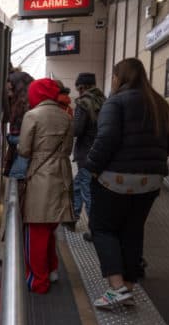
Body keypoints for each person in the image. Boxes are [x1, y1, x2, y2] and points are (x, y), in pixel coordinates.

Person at [86, 58, 169, 308]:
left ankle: (116, 286)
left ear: (119, 78)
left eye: (114, 76)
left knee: (102, 229)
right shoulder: (159, 103)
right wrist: (153, 160)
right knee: (132, 231)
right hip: (150, 182)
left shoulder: (115, 102)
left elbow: (106, 139)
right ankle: (127, 288)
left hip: (115, 179)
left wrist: (92, 168)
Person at [18, 78, 74, 294]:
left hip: (41, 177)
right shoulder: (66, 115)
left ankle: (38, 281)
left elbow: (24, 149)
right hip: (62, 174)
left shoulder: (32, 115)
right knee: (50, 229)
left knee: (35, 232)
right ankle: (52, 269)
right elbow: (68, 149)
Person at [71, 73, 106, 241]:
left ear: (82, 87)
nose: (78, 92)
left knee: (88, 191)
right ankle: (72, 217)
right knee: (78, 185)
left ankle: (96, 231)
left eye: (78, 89)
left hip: (86, 154)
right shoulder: (105, 101)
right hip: (101, 153)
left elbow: (76, 129)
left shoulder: (84, 103)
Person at [6, 71, 34, 179]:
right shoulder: (19, 102)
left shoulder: (27, 106)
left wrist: (11, 138)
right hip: (21, 149)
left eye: (10, 90)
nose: (8, 93)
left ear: (18, 88)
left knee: (15, 176)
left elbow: (28, 135)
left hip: (25, 152)